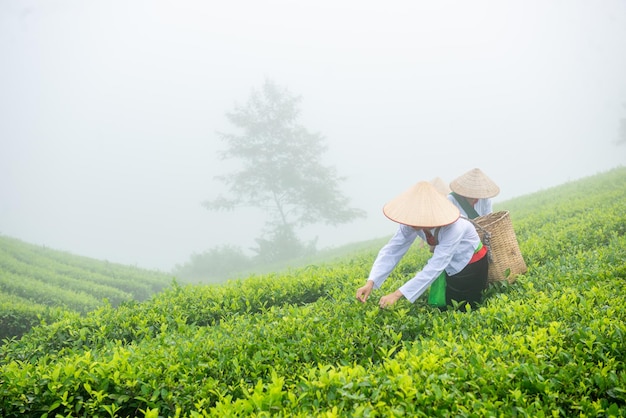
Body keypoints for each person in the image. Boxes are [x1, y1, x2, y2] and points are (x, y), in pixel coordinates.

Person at [355, 181, 489, 310]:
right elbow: (392, 250)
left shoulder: (455, 226)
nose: (410, 221)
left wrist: (397, 295)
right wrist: (371, 282)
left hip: (471, 265)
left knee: (464, 307)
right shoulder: (410, 222)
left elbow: (436, 265)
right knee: (446, 306)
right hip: (449, 265)